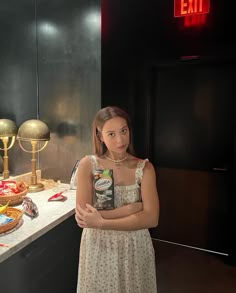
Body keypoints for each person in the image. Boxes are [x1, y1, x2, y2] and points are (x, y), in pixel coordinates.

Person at [75, 106, 160, 293]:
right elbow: (84, 218)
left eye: (124, 131)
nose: (120, 139)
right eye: (111, 134)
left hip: (135, 247)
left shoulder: (144, 168)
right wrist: (131, 209)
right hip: (99, 248)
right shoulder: (88, 165)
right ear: (100, 136)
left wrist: (102, 221)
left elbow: (152, 218)